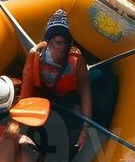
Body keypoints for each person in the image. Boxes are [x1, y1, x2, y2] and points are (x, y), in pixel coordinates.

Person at [22, 10, 92, 150]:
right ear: (48, 42)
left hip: (67, 105)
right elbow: (25, 93)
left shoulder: (76, 59)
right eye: (59, 43)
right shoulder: (35, 57)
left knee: (70, 140)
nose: (63, 49)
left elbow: (85, 91)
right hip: (42, 103)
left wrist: (86, 126)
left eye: (67, 43)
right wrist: (19, 125)